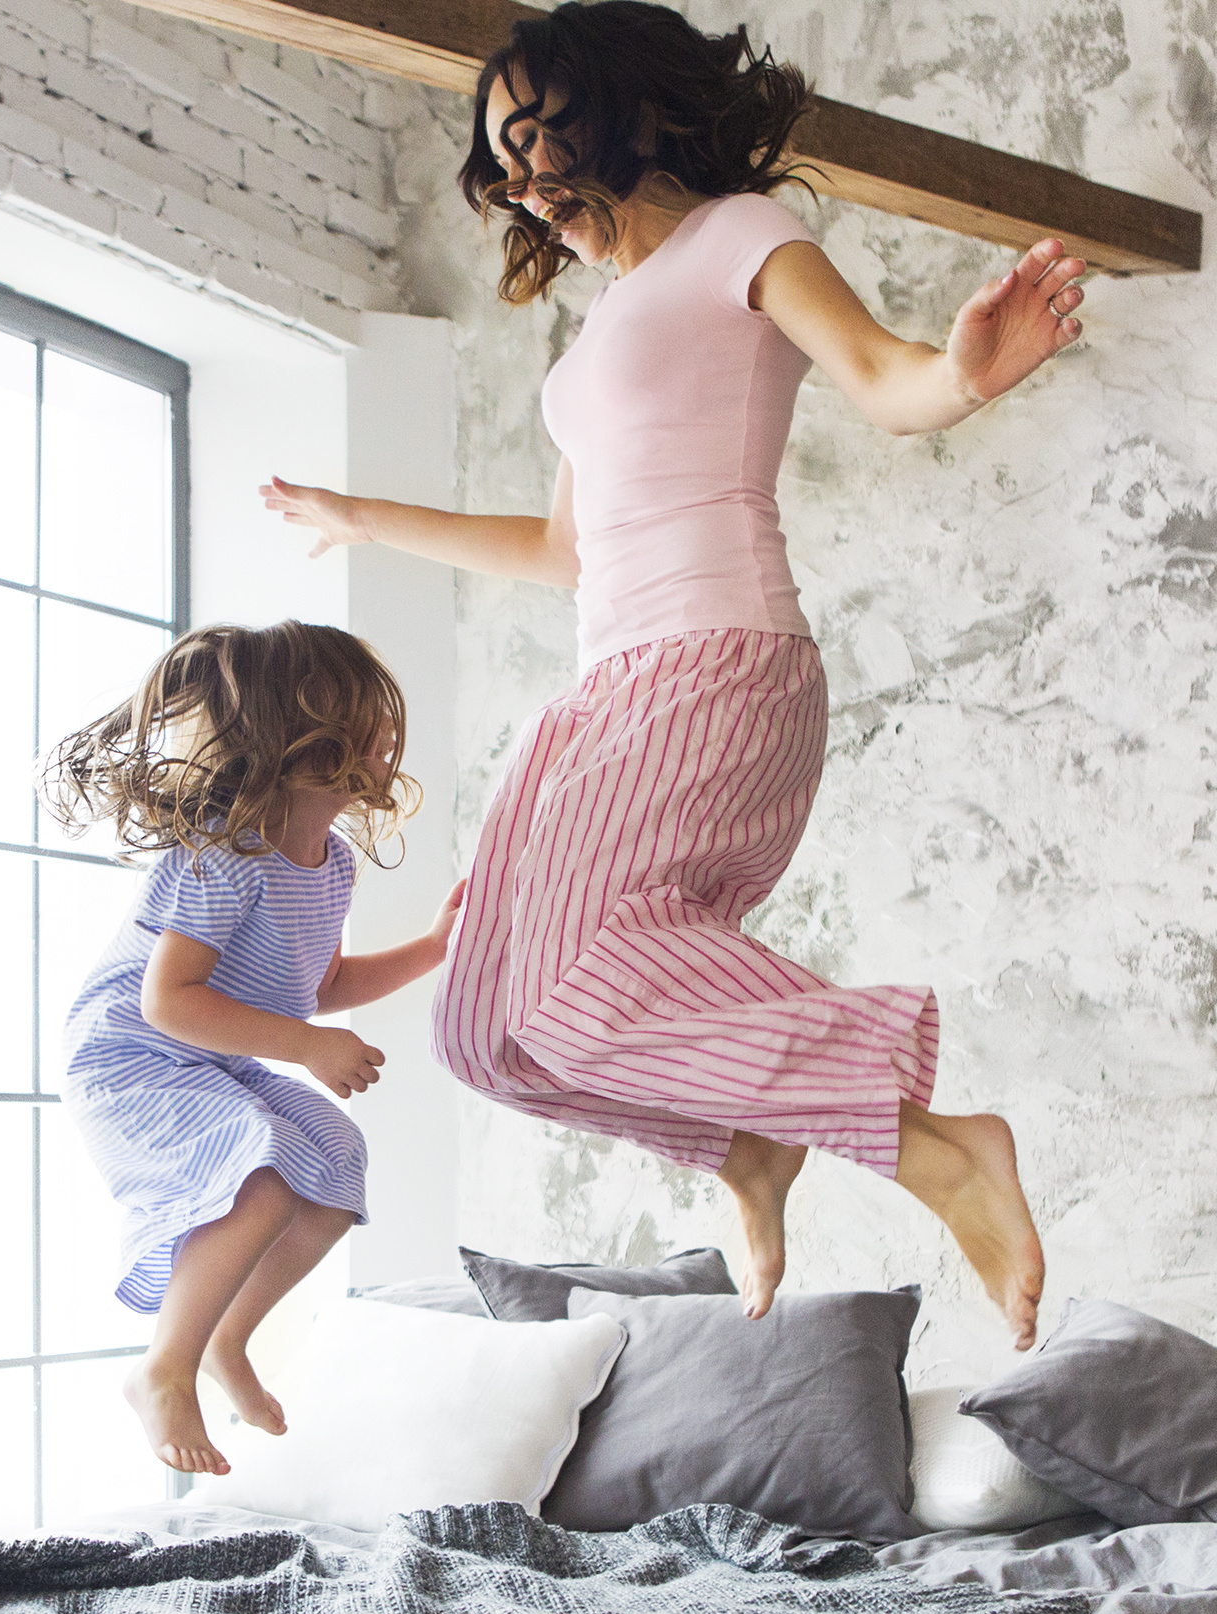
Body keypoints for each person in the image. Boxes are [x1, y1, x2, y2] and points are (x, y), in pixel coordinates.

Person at [262, 0, 1081, 1346]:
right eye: (501, 157)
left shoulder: (742, 235)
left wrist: (965, 374)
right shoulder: (601, 329)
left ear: (627, 109)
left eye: (536, 136)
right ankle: (750, 1145)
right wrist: (360, 518)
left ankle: (934, 1143)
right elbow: (558, 545)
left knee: (573, 972)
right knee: (485, 1028)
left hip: (715, 662)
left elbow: (884, 376)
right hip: (611, 685)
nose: (522, 178)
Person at [50, 622, 461, 1475]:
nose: (389, 739)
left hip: (209, 1056)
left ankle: (223, 1340)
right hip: (131, 1058)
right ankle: (163, 1365)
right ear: (301, 740)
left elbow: (317, 981)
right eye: (366, 724)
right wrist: (305, 1047)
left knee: (333, 1158)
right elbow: (168, 999)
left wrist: (431, 948)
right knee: (263, 1175)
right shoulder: (225, 854)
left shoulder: (331, 864)